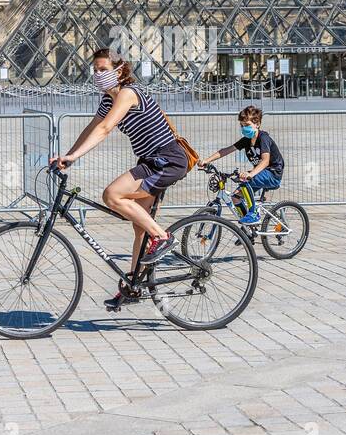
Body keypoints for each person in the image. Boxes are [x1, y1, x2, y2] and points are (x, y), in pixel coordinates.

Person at [52, 48, 187, 309]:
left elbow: (104, 129)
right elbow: (91, 128)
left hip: (167, 158)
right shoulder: (107, 100)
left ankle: (163, 237)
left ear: (119, 70)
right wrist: (68, 156)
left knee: (112, 194)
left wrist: (74, 156)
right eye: (95, 70)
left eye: (103, 69)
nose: (98, 74)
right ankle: (133, 286)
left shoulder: (128, 94)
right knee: (140, 228)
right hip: (150, 161)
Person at [200, 105, 284, 224]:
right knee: (236, 197)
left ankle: (253, 213)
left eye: (247, 125)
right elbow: (226, 150)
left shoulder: (263, 138)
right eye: (242, 125)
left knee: (245, 180)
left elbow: (265, 161)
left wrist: (250, 174)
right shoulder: (246, 140)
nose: (244, 128)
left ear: (257, 124)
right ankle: (248, 229)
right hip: (259, 174)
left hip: (273, 173)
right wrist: (207, 160)